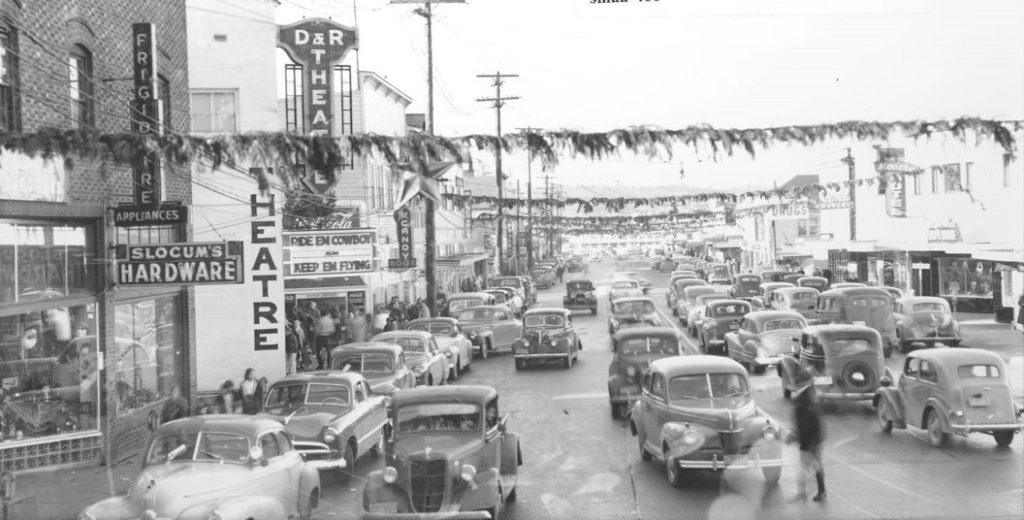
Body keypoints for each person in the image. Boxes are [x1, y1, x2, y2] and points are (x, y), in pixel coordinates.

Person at [789, 368, 826, 502]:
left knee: (809, 465)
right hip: (813, 436)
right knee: (812, 464)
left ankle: (808, 492)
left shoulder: (805, 396)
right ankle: (816, 492)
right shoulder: (811, 393)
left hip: (810, 437)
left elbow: (806, 420)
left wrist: (797, 436)